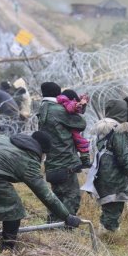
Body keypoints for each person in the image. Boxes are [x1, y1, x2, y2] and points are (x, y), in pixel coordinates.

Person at [0, 131, 82, 251]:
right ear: (42, 152)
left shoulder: (6, 139)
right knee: (14, 208)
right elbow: (46, 195)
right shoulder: (29, 160)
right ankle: (8, 248)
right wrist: (66, 216)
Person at [84, 98, 128, 232]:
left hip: (102, 172)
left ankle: (105, 233)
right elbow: (123, 158)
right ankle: (108, 237)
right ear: (122, 112)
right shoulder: (119, 130)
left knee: (108, 207)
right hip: (114, 176)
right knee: (113, 210)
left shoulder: (103, 128)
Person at [38, 82, 87, 222]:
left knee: (56, 196)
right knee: (72, 197)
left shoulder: (42, 108)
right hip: (66, 162)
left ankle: (52, 225)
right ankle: (65, 229)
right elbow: (81, 123)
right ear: (58, 94)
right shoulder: (58, 110)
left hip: (52, 161)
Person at [56, 89, 91, 167]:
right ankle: (85, 161)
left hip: (70, 127)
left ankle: (84, 160)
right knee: (82, 142)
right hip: (71, 129)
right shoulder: (67, 103)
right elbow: (70, 107)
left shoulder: (63, 102)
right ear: (73, 99)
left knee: (80, 142)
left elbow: (81, 111)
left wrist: (82, 103)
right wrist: (77, 105)